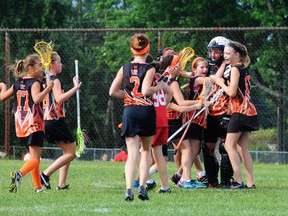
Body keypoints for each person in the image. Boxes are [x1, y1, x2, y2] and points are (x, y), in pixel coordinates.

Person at [109, 33, 166, 201]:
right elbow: (147, 90)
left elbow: (112, 91)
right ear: (147, 49)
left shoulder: (124, 68)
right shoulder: (150, 68)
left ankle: (128, 189)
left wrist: (128, 96)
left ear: (131, 49)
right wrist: (160, 86)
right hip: (146, 111)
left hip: (130, 111)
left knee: (132, 152)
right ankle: (142, 186)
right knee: (146, 150)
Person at [0, 53, 54, 193]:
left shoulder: (17, 83)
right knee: (35, 159)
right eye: (40, 66)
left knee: (34, 158)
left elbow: (3, 97)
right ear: (30, 68)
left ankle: (38, 188)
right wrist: (48, 88)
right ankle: (19, 174)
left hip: (21, 126)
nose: (42, 69)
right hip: (34, 123)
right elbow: (36, 99)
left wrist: (3, 86)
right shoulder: (35, 83)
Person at [214, 41, 259, 189]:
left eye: (228, 53)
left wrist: (219, 82)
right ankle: (250, 182)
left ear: (237, 55)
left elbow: (232, 92)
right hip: (249, 111)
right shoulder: (244, 68)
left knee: (229, 145)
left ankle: (238, 181)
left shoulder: (234, 69)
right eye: (224, 53)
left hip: (240, 110)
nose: (225, 56)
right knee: (242, 148)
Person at [160, 55, 206, 189]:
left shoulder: (164, 78)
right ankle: (185, 179)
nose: (181, 67)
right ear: (173, 67)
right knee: (187, 149)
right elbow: (181, 103)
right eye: (179, 64)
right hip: (172, 119)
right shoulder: (172, 82)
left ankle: (141, 180)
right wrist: (199, 103)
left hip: (165, 118)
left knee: (154, 154)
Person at [40, 51, 82, 190]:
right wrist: (75, 88)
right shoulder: (55, 80)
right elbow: (58, 99)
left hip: (47, 120)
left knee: (67, 152)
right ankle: (45, 174)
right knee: (72, 152)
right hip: (54, 120)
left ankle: (62, 184)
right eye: (58, 61)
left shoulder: (45, 79)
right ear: (51, 64)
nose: (61, 64)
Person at [202, 36, 234, 188]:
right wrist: (203, 100)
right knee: (208, 147)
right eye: (211, 51)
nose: (213, 55)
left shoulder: (231, 68)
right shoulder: (208, 67)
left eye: (216, 52)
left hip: (224, 111)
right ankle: (211, 180)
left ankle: (226, 181)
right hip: (210, 112)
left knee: (224, 147)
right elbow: (208, 84)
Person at [144, 54, 173, 193]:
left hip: (153, 120)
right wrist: (163, 107)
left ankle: (143, 180)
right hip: (162, 119)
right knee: (158, 154)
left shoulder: (147, 79)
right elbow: (170, 92)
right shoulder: (156, 78)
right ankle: (164, 186)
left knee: (141, 151)